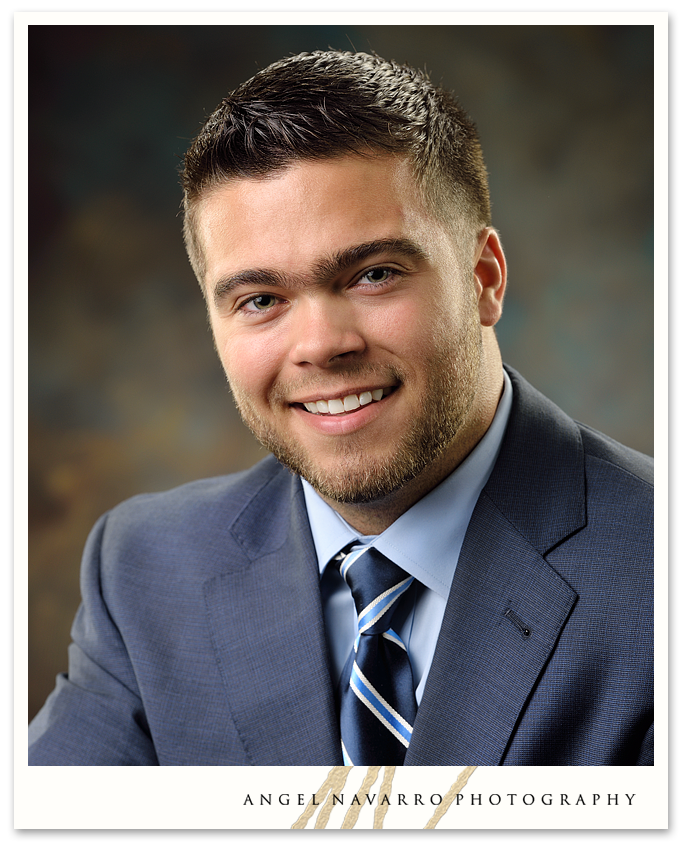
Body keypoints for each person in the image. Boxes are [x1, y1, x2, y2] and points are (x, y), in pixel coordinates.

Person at [28, 50, 653, 766]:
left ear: (484, 279)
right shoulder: (144, 574)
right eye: (260, 300)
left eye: (374, 275)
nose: (320, 346)